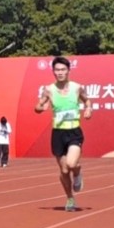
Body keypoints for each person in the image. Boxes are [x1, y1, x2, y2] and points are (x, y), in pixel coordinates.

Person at [34, 56, 92, 212]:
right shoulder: (48, 90)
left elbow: (87, 101)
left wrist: (88, 109)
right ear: (53, 71)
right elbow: (38, 106)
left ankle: (78, 173)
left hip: (74, 132)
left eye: (63, 69)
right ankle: (70, 198)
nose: (60, 72)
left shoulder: (77, 88)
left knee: (72, 164)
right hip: (58, 134)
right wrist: (40, 107)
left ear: (68, 71)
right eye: (57, 70)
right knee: (64, 170)